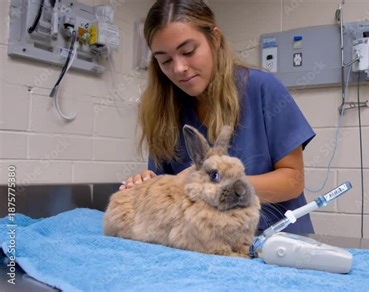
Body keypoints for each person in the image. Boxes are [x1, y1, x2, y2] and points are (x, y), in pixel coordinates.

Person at [120, 0, 316, 235]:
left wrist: (210, 185)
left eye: (188, 51)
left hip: (274, 240)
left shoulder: (262, 89)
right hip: (204, 243)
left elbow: (293, 181)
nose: (179, 68)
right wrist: (150, 186)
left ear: (215, 39)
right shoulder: (163, 111)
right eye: (165, 60)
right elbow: (172, 195)